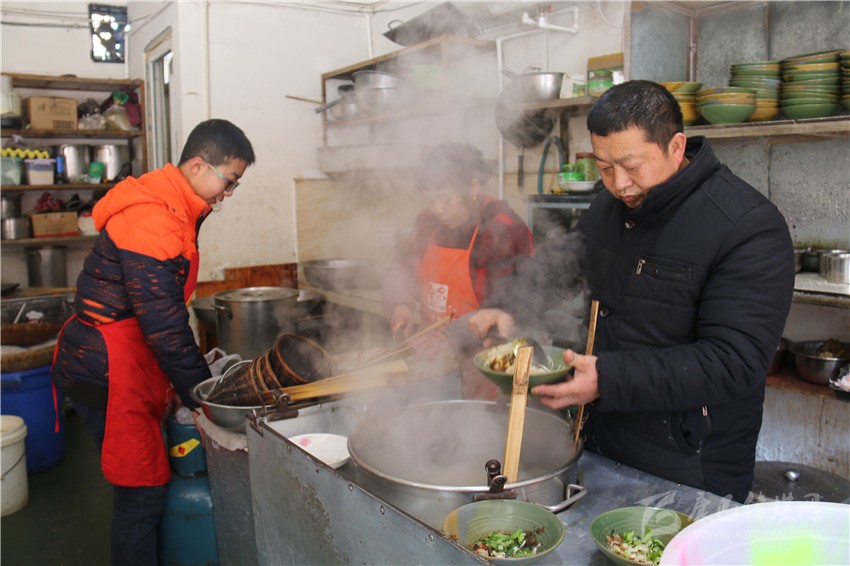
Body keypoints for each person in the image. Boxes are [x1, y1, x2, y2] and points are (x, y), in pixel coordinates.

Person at [471, 80, 795, 502]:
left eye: (631, 166)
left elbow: (733, 362)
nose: (619, 184)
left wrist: (607, 378)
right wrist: (508, 305)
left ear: (675, 147)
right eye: (604, 168)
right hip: (601, 440)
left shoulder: (746, 226)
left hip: (690, 462)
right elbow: (564, 261)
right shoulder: (612, 206)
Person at [51, 119, 255, 565]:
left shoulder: (175, 204)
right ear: (198, 165)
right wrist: (204, 398)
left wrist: (191, 386)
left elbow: (164, 314)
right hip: (107, 366)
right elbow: (164, 327)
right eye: (229, 180)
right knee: (141, 493)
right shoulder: (153, 218)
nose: (229, 193)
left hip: (118, 356)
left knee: (145, 483)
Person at [382, 142, 534, 398]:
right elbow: (403, 267)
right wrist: (400, 305)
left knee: (479, 422)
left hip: (487, 366)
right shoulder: (427, 221)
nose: (438, 209)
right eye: (430, 200)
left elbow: (510, 305)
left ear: (472, 187)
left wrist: (452, 337)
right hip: (434, 367)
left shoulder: (502, 228)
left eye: (445, 199)